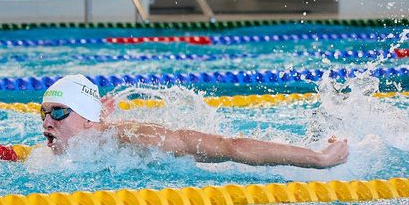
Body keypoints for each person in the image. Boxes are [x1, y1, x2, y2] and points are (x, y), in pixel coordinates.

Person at [41, 74, 350, 168]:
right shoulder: (71, 147)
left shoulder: (131, 135)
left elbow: (228, 146)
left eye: (58, 112)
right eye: (44, 112)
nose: (47, 122)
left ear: (88, 120)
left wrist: (318, 159)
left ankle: (316, 143)